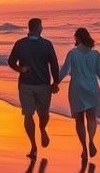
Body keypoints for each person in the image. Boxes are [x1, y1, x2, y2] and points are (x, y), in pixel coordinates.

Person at [7, 18, 60, 159]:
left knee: (29, 115)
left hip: (26, 84)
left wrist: (19, 69)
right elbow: (54, 65)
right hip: (42, 85)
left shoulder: (20, 44)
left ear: (29, 28)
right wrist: (56, 82)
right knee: (42, 114)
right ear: (39, 28)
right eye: (41, 25)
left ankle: (34, 144)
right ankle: (39, 135)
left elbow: (10, 62)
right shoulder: (47, 44)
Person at [58, 27, 100, 162]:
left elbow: (64, 70)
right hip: (92, 88)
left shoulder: (72, 54)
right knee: (92, 117)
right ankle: (91, 140)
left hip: (77, 88)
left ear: (78, 38)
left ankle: (84, 148)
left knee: (79, 120)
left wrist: (55, 83)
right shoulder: (96, 54)